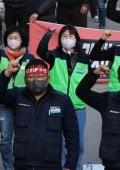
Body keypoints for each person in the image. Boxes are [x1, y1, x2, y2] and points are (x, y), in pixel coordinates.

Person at [0, 59, 79, 170]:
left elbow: (72, 134)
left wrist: (70, 164)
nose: (35, 80)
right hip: (22, 164)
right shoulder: (17, 95)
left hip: (51, 164)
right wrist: (7, 72)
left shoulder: (62, 100)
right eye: (31, 77)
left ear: (48, 79)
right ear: (25, 80)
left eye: (40, 77)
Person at [0, 26, 35, 170]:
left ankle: (23, 165)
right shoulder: (0, 55)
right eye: (10, 38)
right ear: (6, 40)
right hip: (4, 104)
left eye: (16, 38)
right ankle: (9, 167)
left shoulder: (29, 58)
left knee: (24, 138)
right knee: (5, 140)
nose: (13, 40)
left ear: (22, 40)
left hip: (24, 104)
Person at [36, 25, 91, 169]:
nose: (68, 39)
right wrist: (48, 35)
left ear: (76, 39)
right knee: (57, 141)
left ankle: (75, 166)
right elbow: (40, 51)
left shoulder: (85, 59)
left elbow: (89, 81)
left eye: (71, 36)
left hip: (78, 107)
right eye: (64, 36)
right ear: (60, 40)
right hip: (57, 105)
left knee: (78, 143)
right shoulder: (54, 56)